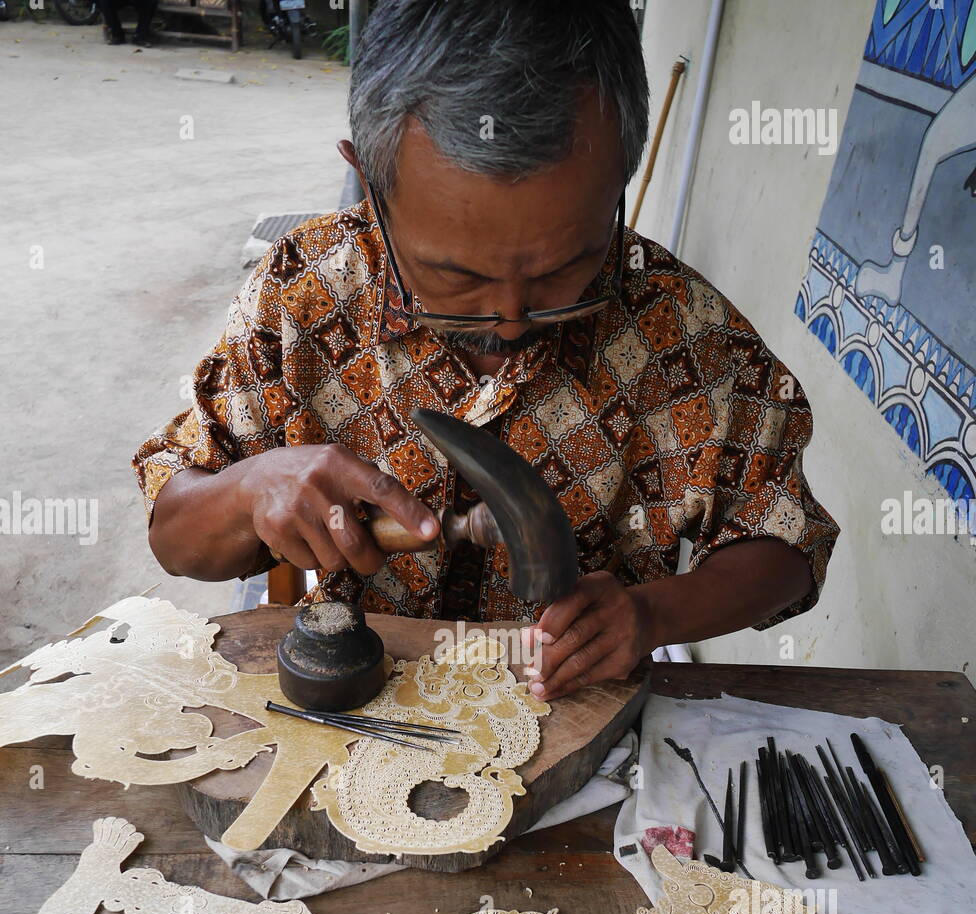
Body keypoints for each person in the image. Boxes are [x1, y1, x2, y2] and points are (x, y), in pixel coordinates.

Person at [133, 0, 839, 701]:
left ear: (622, 175)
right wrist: (249, 492)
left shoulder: (678, 323)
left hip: (575, 715)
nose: (509, 321)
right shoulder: (303, 292)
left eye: (566, 267)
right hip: (363, 701)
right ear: (370, 180)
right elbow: (174, 534)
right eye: (458, 276)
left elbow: (787, 545)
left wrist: (653, 614)